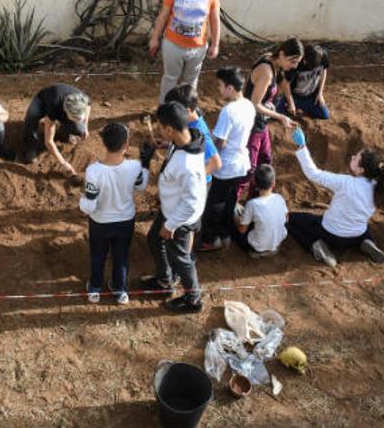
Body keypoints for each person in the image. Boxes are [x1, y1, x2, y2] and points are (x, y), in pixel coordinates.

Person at [286, 127, 384, 267]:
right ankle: (367, 242)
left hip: (331, 235)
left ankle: (315, 246)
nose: (353, 157)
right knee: (362, 227)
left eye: (356, 158)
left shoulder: (346, 182)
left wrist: (302, 146)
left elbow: (313, 174)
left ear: (361, 170)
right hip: (356, 235)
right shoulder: (379, 189)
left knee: (290, 220)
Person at [140, 102, 208, 313]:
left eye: (161, 127)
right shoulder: (188, 137)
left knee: (181, 259)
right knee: (153, 238)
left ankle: (193, 300)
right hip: (171, 207)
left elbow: (192, 202)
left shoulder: (189, 167)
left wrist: (172, 225)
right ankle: (164, 280)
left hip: (180, 218)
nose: (159, 130)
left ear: (170, 129)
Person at [79, 123, 149, 305]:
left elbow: (89, 206)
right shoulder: (134, 167)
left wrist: (81, 201)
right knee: (121, 256)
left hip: (100, 223)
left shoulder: (94, 171)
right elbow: (141, 186)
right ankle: (120, 290)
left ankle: (94, 288)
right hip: (125, 221)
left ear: (103, 143)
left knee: (98, 255)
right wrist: (146, 165)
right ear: (126, 145)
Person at [197, 67, 257, 251]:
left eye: (221, 86)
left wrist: (205, 155)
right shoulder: (248, 105)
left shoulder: (228, 111)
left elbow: (220, 143)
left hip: (226, 166)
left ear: (230, 88)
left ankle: (209, 239)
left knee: (213, 205)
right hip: (241, 164)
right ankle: (225, 233)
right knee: (230, 200)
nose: (219, 89)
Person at [149, 0, 221, 103]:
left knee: (190, 81)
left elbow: (215, 21)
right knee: (170, 78)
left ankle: (187, 110)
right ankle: (165, 109)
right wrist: (155, 38)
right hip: (173, 45)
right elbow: (162, 17)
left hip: (198, 47)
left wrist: (215, 44)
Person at [244, 39, 302, 186]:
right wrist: (281, 116)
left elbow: (282, 80)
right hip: (252, 123)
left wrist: (290, 101)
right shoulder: (266, 73)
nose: (294, 66)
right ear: (282, 54)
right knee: (249, 170)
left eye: (297, 62)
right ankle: (231, 204)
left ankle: (256, 199)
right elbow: (254, 104)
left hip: (262, 122)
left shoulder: (273, 61)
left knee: (265, 162)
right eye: (292, 61)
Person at [20, 83, 91, 176]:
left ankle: (63, 133)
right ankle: (29, 147)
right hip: (43, 100)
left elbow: (88, 106)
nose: (79, 120)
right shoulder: (54, 106)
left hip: (65, 106)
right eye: (75, 118)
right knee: (31, 117)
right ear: (66, 112)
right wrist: (63, 163)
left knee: (80, 129)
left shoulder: (83, 99)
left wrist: (85, 125)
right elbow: (48, 141)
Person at [162, 84, 222, 182]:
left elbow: (216, 163)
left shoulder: (199, 133)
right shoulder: (189, 118)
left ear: (187, 111)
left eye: (173, 112)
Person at [233, 164, 287, 258]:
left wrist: (237, 220)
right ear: (273, 183)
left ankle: (256, 252)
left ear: (254, 182)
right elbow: (286, 218)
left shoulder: (252, 204)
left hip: (258, 246)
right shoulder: (280, 198)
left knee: (234, 226)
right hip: (278, 241)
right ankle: (270, 248)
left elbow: (242, 230)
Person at [278, 44, 331, 120]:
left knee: (324, 115)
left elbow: (323, 71)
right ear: (304, 59)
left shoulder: (323, 57)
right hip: (294, 95)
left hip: (310, 95)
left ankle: (300, 107)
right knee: (277, 111)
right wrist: (291, 102)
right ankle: (293, 106)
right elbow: (286, 82)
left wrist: (320, 93)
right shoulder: (296, 63)